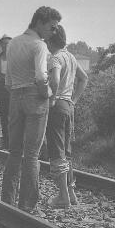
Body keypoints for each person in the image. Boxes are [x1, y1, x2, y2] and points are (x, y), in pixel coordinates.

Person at [1, 6, 61, 211]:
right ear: (41, 23)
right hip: (35, 97)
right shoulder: (39, 45)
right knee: (32, 154)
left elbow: (7, 80)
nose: (54, 32)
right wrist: (48, 95)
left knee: (14, 151)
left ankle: (7, 200)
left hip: (15, 97)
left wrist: (18, 93)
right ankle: (26, 206)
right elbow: (41, 77)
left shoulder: (14, 42)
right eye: (52, 27)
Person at [45, 25, 89, 208]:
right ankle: (71, 194)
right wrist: (74, 100)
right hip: (69, 107)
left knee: (57, 152)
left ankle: (62, 197)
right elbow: (84, 77)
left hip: (57, 107)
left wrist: (52, 99)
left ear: (50, 40)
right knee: (67, 152)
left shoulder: (55, 57)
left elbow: (54, 80)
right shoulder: (70, 56)